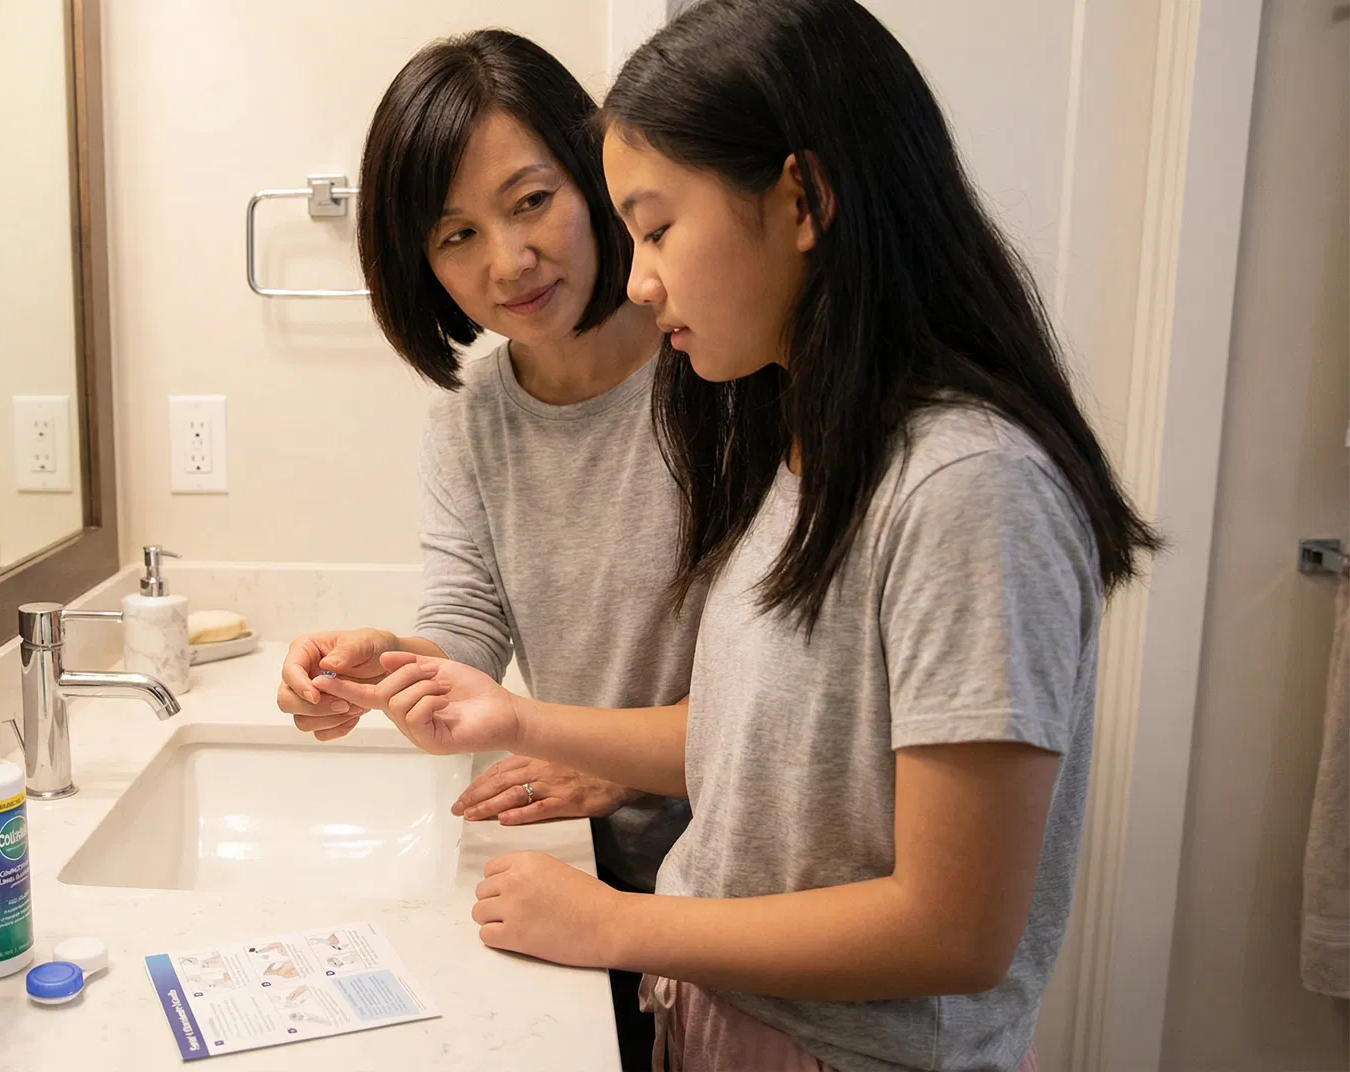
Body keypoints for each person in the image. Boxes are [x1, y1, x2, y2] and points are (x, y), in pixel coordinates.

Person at [313, 2, 1162, 1069]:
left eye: (656, 228)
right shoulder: (809, 445)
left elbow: (956, 929)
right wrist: (508, 714)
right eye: (457, 235)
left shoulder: (967, 485)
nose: (638, 277)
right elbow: (743, 732)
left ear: (801, 200)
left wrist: (617, 924)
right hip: (733, 1013)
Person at [273, 30, 696, 1067]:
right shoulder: (471, 419)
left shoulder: (714, 372)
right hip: (584, 873)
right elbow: (468, 628)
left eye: (531, 200)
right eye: (456, 234)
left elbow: (779, 684)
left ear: (594, 174)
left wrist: (605, 759)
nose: (508, 262)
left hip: (735, 887)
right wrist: (379, 663)